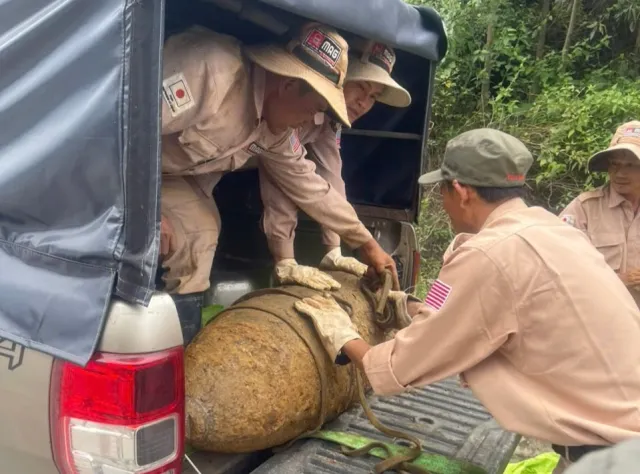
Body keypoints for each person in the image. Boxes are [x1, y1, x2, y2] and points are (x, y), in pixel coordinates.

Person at [292, 129, 640, 472]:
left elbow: (399, 368)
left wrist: (341, 334)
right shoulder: (552, 229)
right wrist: (405, 306)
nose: (442, 204)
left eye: (441, 191)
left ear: (460, 190)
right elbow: (462, 309)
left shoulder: (488, 254)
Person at [159, 22, 397, 343]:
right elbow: (114, 129)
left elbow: (312, 187)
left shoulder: (276, 130)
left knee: (201, 230)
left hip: (166, 177)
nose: (310, 120)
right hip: (104, 167)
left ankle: (178, 350)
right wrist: (140, 209)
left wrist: (367, 244)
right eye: (315, 107)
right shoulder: (212, 72)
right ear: (287, 86)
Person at [258, 39, 411, 291]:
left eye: (373, 97)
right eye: (360, 88)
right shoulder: (295, 105)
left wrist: (334, 249)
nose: (364, 103)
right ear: (338, 79)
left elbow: (333, 179)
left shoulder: (329, 121)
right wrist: (284, 258)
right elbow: (287, 179)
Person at [559, 121, 640, 305]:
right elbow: (557, 266)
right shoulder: (584, 208)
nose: (619, 173)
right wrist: (622, 280)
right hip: (601, 319)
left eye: (630, 165)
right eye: (614, 164)